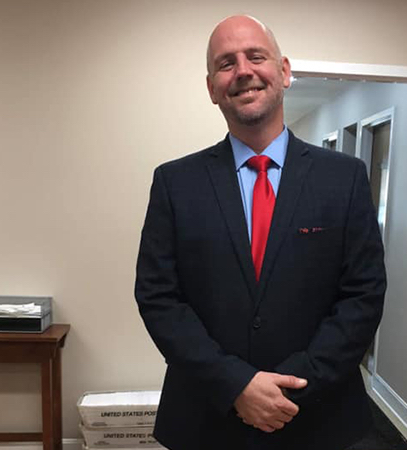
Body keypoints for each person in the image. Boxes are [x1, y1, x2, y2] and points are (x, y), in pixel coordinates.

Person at [135, 15, 386, 450]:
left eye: (256, 56)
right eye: (226, 63)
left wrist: (291, 387)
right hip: (206, 418)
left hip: (318, 416)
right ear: (212, 87)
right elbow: (158, 298)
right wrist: (235, 384)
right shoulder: (175, 183)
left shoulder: (344, 178)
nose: (243, 71)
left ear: (284, 71)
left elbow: (363, 295)